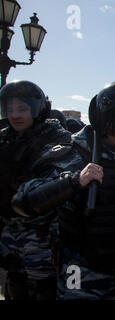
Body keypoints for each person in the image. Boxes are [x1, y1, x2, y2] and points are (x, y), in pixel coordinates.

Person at [11, 81, 115, 300]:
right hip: (79, 270)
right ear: (105, 121)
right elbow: (24, 201)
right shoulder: (73, 154)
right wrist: (74, 182)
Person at [0, 80, 72, 300]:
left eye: (22, 108)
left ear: (37, 108)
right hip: (9, 232)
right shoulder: (4, 139)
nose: (15, 115)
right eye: (10, 109)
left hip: (41, 238)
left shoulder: (54, 136)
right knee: (14, 286)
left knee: (43, 290)